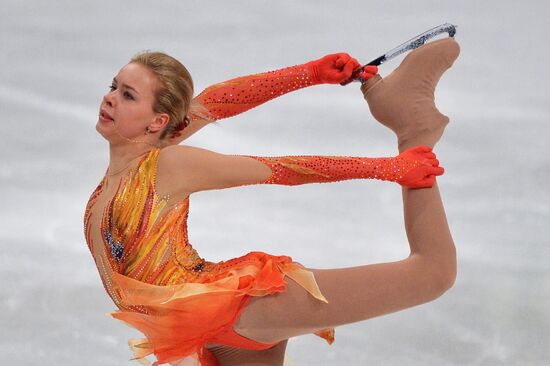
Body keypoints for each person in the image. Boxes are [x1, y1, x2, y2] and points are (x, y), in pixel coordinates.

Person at [85, 37, 459, 366]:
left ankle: (413, 128)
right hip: (202, 336)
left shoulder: (167, 166)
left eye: (127, 95)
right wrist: (309, 72)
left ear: (156, 122)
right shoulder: (117, 178)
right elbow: (216, 102)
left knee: (433, 273)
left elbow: (281, 169)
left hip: (239, 309)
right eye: (114, 87)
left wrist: (392, 169)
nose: (109, 97)